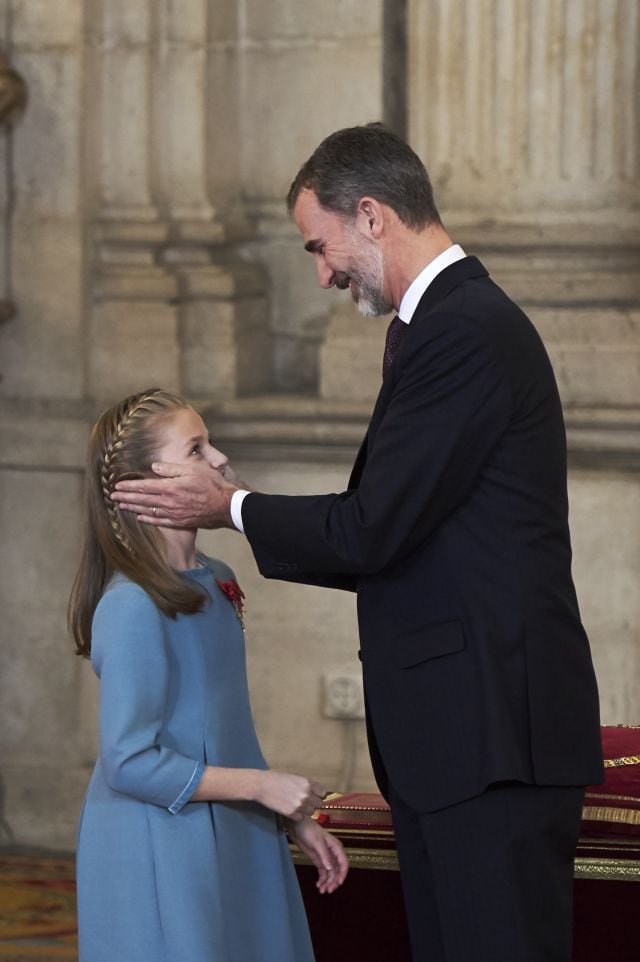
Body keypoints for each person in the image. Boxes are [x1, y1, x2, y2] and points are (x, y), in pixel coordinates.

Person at [112, 125, 604, 962]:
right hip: (468, 743)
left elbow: (371, 526)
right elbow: (400, 536)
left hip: (488, 742)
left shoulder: (463, 331)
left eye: (319, 244)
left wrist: (229, 505)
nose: (321, 271)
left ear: (370, 215)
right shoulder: (446, 325)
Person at [69, 388, 347, 962]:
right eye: (197, 448)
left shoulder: (215, 577)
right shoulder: (131, 607)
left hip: (232, 827)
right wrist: (262, 787)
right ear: (148, 480)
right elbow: (129, 760)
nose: (219, 459)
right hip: (160, 844)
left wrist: (287, 815)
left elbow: (225, 727)